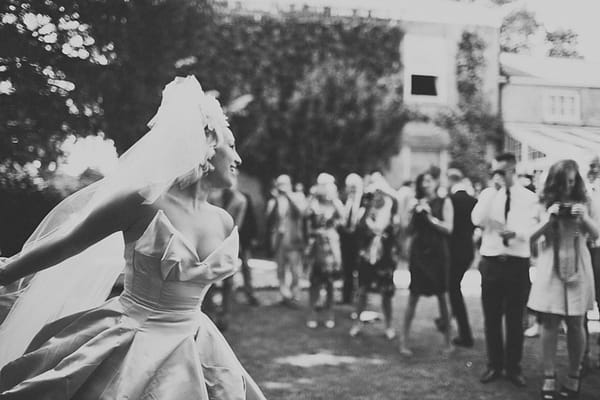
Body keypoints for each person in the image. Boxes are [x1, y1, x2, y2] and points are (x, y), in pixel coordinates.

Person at [0, 76, 266, 399]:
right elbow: (66, 244)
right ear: (207, 145)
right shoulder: (140, 202)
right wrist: (5, 272)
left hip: (197, 342)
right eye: (232, 146)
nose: (238, 159)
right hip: (131, 339)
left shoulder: (223, 221)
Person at [528, 160, 599, 399]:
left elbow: (596, 233)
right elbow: (529, 236)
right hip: (551, 264)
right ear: (554, 182)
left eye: (572, 181)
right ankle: (549, 374)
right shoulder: (542, 202)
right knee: (550, 323)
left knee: (576, 323)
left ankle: (574, 373)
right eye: (563, 182)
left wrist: (584, 218)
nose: (568, 187)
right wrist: (548, 219)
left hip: (578, 262)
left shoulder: (586, 200)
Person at [472, 152, 539, 388]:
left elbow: (534, 228)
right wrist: (492, 192)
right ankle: (494, 364)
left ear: (512, 170)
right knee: (491, 317)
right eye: (494, 172)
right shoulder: (489, 194)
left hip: (516, 262)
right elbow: (476, 219)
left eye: (501, 171)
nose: (496, 176)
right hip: (491, 261)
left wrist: (517, 233)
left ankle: (513, 367)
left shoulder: (529, 198)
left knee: (514, 318)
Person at [399, 166, 454, 356]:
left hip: (438, 253)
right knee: (413, 297)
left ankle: (448, 341)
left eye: (429, 180)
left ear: (435, 182)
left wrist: (430, 218)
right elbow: (406, 231)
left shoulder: (444, 202)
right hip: (419, 253)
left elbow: (449, 228)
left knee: (442, 297)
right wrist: (411, 213)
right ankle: (404, 340)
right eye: (423, 181)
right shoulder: (415, 203)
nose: (426, 184)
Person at [349, 176, 399, 340]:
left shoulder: (390, 210)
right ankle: (357, 323)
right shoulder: (366, 211)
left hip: (384, 258)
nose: (376, 196)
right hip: (366, 257)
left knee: (386, 294)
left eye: (379, 193)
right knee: (362, 291)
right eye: (374, 194)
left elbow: (397, 202)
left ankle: (389, 325)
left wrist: (384, 189)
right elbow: (357, 228)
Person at [305, 173, 344, 328]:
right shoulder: (314, 203)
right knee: (314, 282)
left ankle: (330, 313)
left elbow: (343, 217)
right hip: (316, 245)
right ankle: (312, 313)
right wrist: (312, 196)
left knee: (329, 282)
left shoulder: (334, 204)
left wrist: (334, 199)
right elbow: (305, 213)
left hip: (331, 246)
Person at [447, 167, 477, 348]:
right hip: (468, 251)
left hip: (453, 251)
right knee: (452, 287)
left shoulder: (450, 201)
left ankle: (465, 334)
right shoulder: (474, 201)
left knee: (453, 289)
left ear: (450, 180)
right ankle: (445, 320)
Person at [266, 174, 306, 307]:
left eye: (284, 184)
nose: (281, 187)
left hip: (293, 239)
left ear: (290, 184)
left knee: (295, 270)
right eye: (279, 184)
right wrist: (276, 199)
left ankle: (295, 295)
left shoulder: (298, 197)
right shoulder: (273, 201)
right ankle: (284, 295)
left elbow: (300, 213)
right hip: (279, 240)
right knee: (280, 270)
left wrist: (288, 196)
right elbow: (269, 220)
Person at [339, 173, 364, 305]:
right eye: (350, 187)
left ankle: (359, 297)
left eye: (355, 186)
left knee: (359, 269)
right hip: (346, 239)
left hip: (358, 240)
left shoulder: (364, 201)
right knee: (347, 269)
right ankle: (346, 296)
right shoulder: (345, 200)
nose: (353, 189)